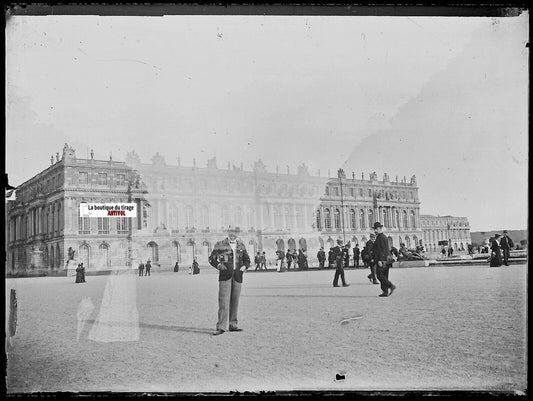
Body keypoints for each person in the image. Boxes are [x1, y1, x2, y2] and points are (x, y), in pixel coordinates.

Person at [208, 226, 251, 336]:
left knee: (235, 301)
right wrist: (218, 265)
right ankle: (221, 326)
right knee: (223, 302)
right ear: (228, 232)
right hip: (225, 275)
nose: (233, 234)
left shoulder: (241, 244)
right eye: (231, 232)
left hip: (238, 275)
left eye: (235, 232)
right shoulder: (220, 244)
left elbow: (247, 260)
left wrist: (245, 267)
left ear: (238, 233)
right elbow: (211, 258)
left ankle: (233, 324)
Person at [372, 222, 396, 297]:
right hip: (386, 259)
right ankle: (385, 291)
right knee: (384, 275)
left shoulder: (380, 238)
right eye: (375, 229)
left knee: (379, 275)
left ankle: (390, 285)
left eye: (377, 229)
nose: (375, 230)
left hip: (383, 260)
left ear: (380, 229)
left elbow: (381, 250)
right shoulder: (383, 237)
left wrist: (380, 260)